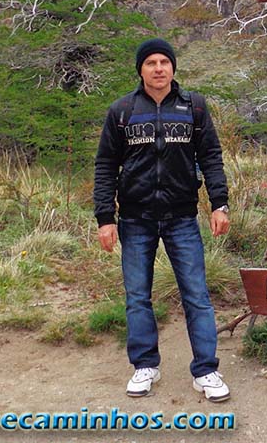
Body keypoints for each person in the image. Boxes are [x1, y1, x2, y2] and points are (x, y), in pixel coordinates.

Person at [94, 37, 231, 402]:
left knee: (197, 295)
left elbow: (212, 157)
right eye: (151, 62)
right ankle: (145, 366)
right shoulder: (122, 111)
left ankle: (206, 370)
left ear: (173, 67)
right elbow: (106, 166)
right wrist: (104, 217)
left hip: (182, 216)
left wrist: (220, 204)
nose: (158, 68)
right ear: (140, 69)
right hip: (135, 219)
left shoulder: (194, 108)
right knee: (138, 296)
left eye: (164, 62)